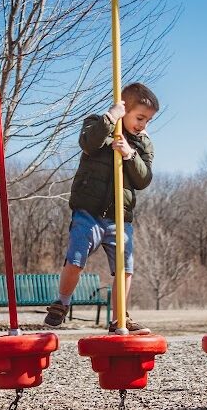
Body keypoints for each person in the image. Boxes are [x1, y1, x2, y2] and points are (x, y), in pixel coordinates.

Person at [44, 82, 159, 334]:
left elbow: (143, 180)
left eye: (148, 120)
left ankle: (120, 318)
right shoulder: (98, 123)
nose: (143, 125)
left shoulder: (143, 144)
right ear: (124, 108)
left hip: (120, 217)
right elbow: (88, 143)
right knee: (75, 260)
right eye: (139, 118)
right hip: (88, 212)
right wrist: (110, 118)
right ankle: (62, 302)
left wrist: (130, 154)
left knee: (125, 269)